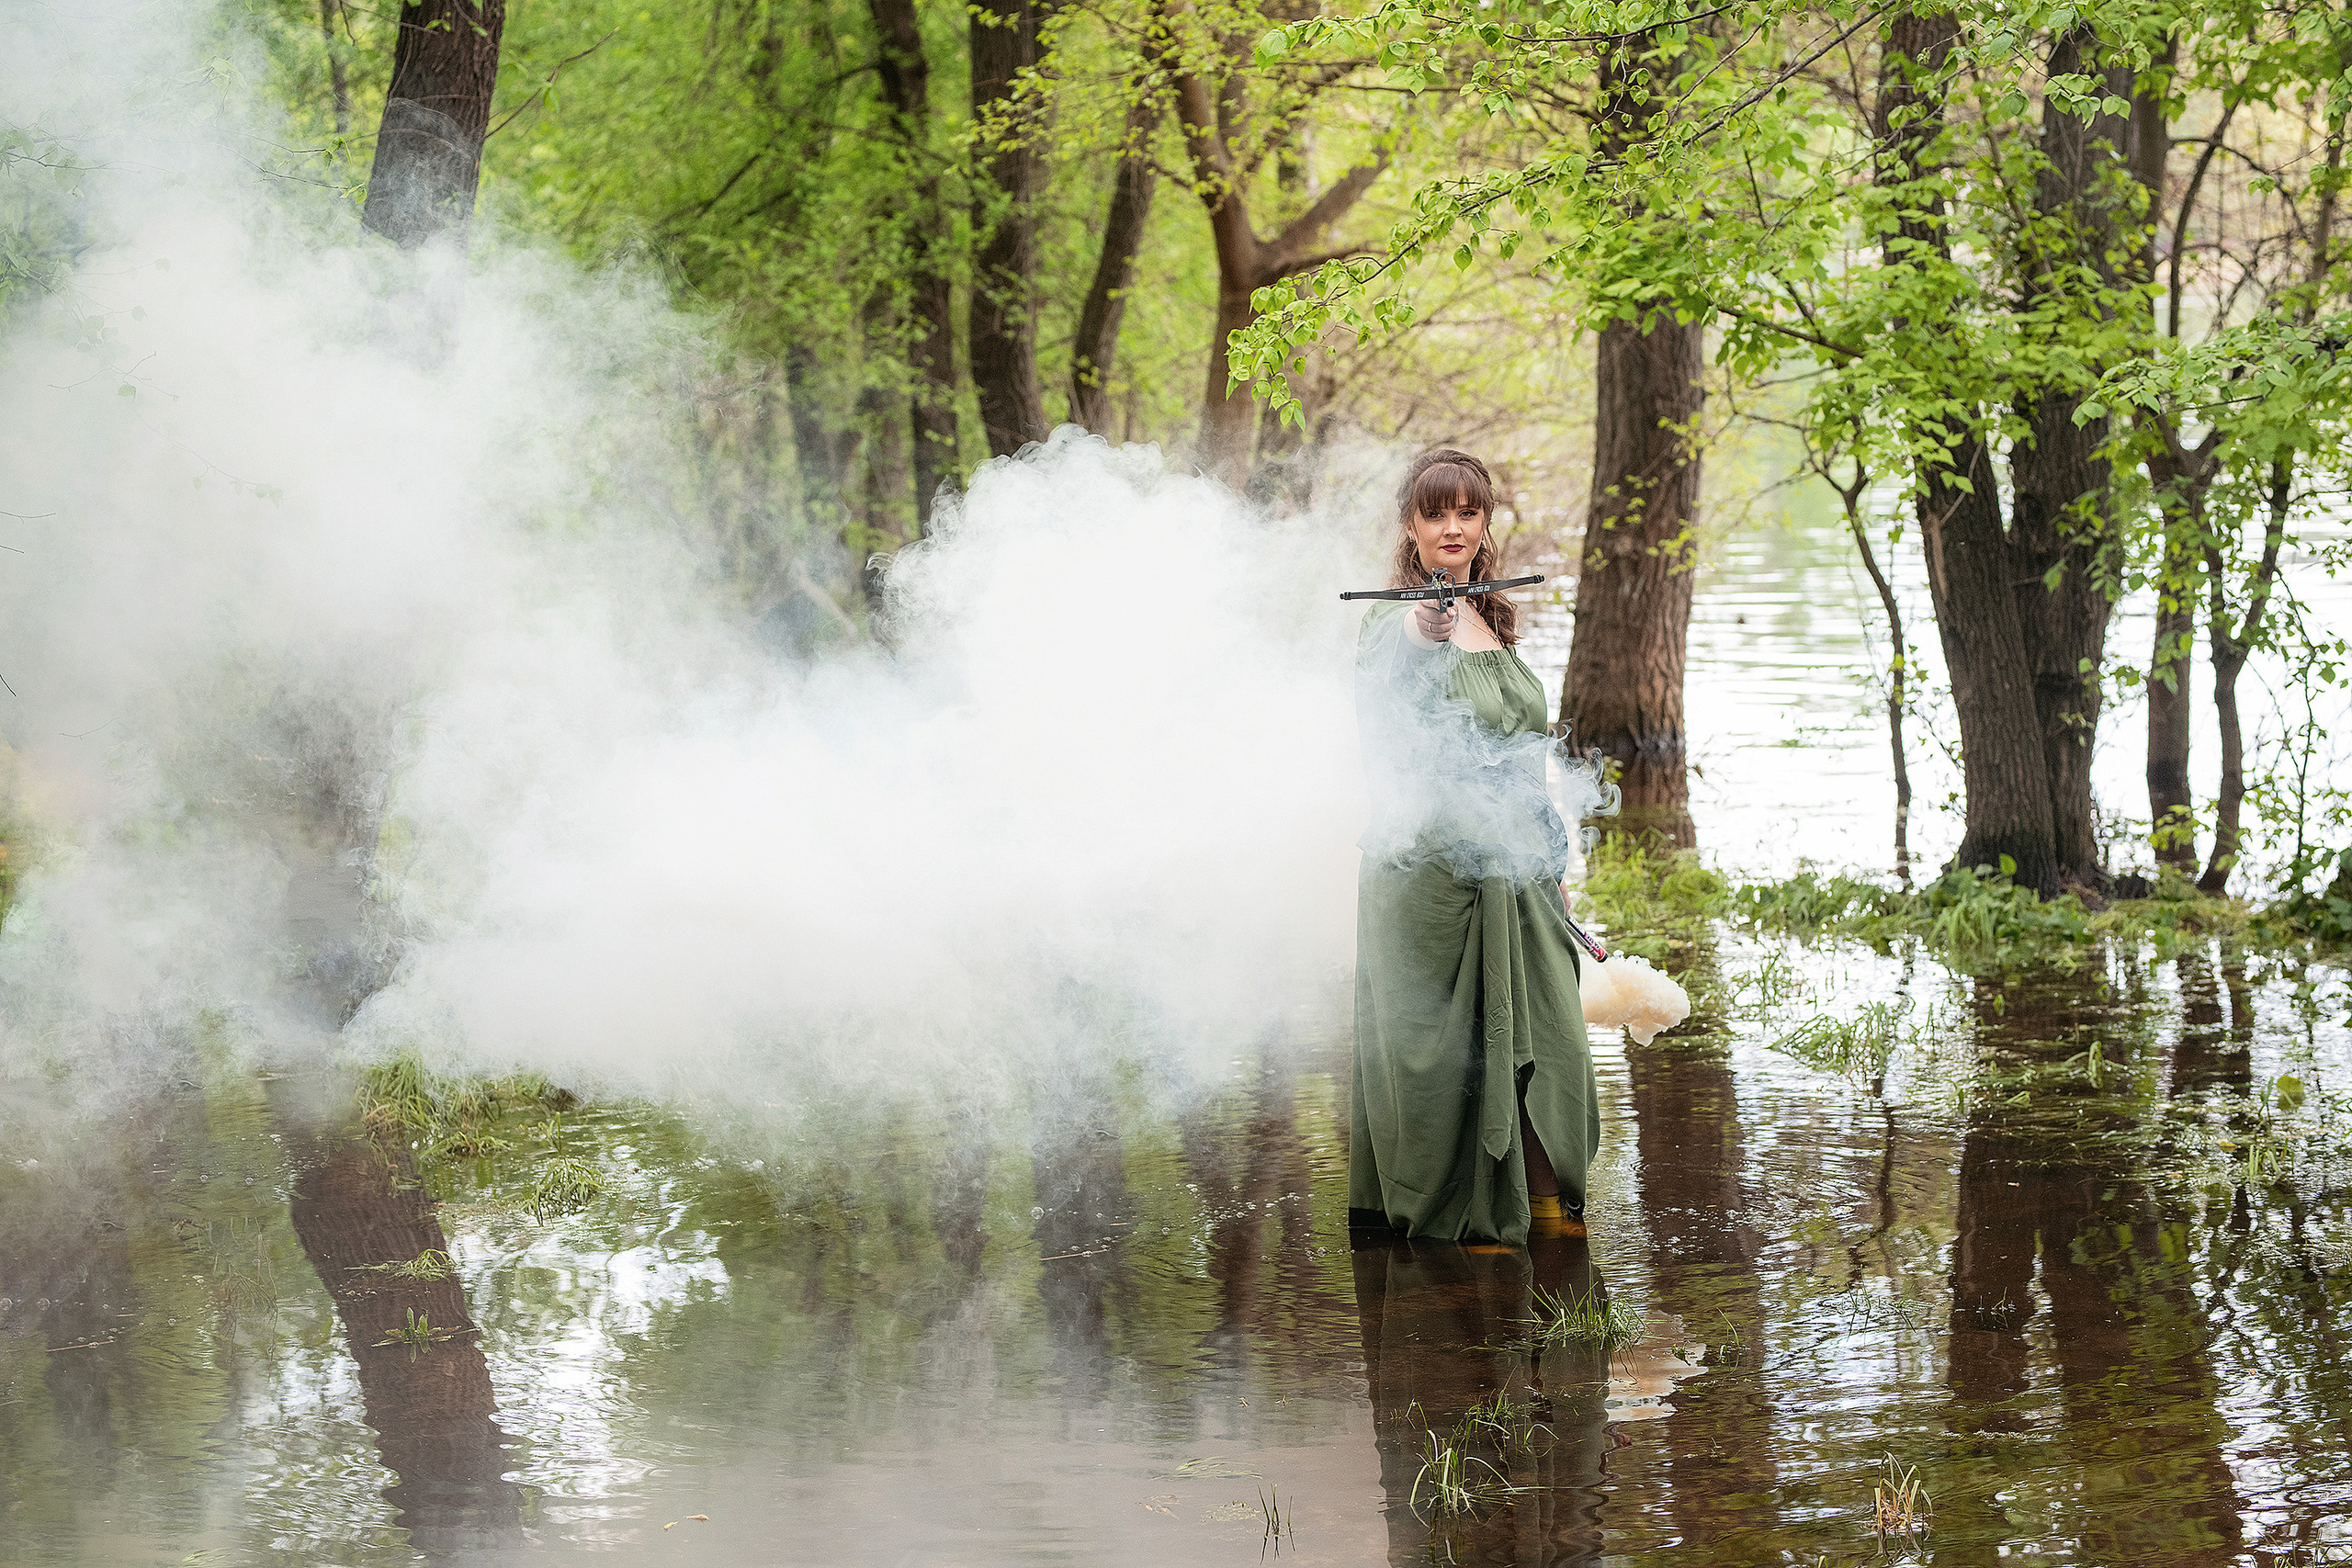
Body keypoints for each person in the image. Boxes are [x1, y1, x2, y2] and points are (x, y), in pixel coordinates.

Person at [1350, 447, 1600, 1246]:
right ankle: (1460, 1260)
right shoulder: (1391, 618)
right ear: (1411, 527)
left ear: (1486, 521)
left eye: (1467, 511)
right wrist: (1425, 624)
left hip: (1517, 871)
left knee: (1549, 1045)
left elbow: (1523, 760)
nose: (1452, 526)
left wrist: (1554, 869)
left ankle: (1550, 1229)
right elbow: (1398, 672)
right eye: (1435, 513)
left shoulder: (1495, 615)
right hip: (1427, 879)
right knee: (1441, 1075)